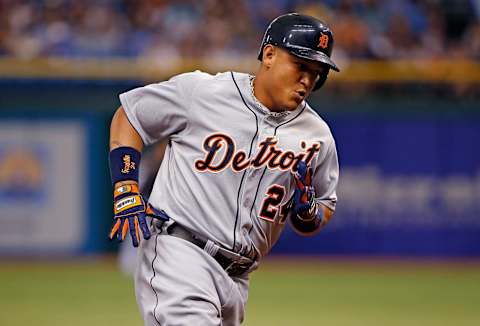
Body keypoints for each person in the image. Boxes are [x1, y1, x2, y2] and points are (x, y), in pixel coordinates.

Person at [108, 13, 340, 326]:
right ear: (269, 55)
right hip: (180, 255)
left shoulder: (317, 136)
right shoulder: (204, 93)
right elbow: (131, 116)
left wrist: (308, 211)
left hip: (238, 280)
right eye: (301, 66)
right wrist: (125, 187)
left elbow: (323, 207)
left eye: (317, 73)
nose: (308, 81)